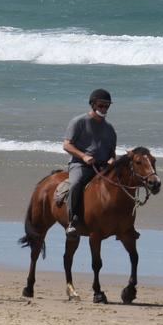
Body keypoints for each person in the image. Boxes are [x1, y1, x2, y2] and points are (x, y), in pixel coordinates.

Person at [62, 88, 117, 237]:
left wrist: (112, 159)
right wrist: (83, 156)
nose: (104, 109)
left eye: (107, 106)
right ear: (92, 104)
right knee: (76, 183)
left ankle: (122, 223)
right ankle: (72, 221)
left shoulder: (110, 129)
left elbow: (112, 152)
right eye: (101, 105)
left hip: (102, 167)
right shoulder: (78, 122)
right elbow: (66, 145)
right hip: (80, 164)